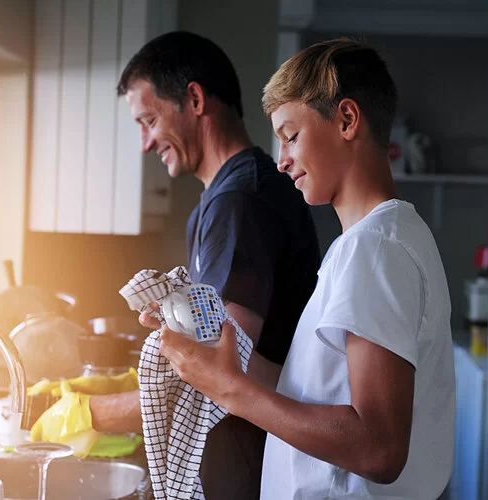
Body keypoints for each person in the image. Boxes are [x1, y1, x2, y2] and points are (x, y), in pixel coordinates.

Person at [158, 39, 456, 499]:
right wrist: (214, 354)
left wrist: (232, 390)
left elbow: (379, 449)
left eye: (291, 136)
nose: (282, 161)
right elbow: (313, 394)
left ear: (347, 120)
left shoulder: (373, 249)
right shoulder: (372, 242)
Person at [88, 31, 321, 499]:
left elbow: (213, 367)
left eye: (149, 120)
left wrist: (92, 412)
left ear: (193, 99)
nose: (144, 142)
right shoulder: (221, 200)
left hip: (245, 471)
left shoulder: (240, 202)